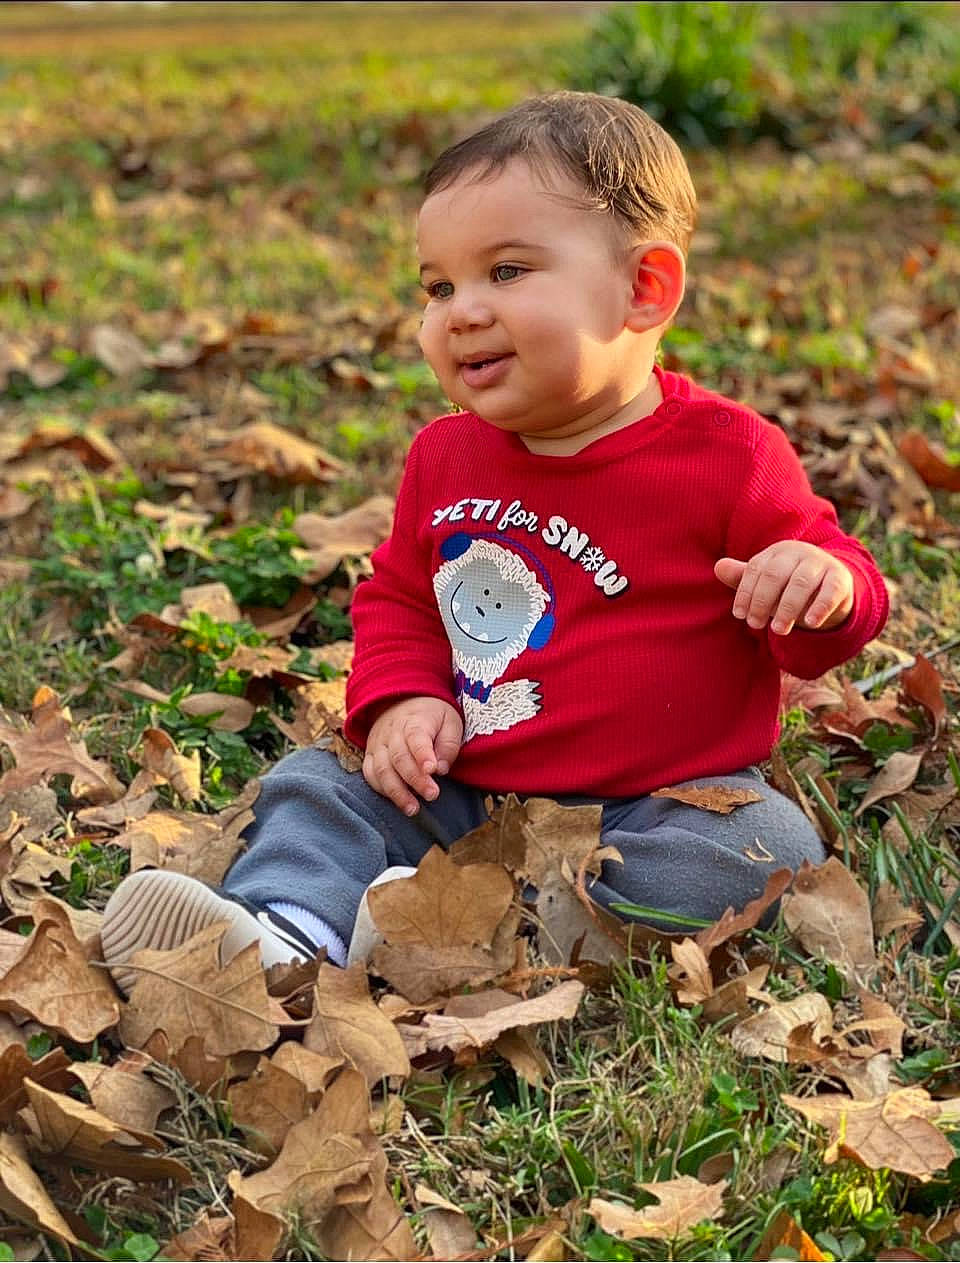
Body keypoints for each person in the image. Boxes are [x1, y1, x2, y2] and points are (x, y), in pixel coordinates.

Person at [101, 92, 889, 989]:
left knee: (764, 842)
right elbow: (400, 599)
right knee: (320, 786)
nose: (461, 311)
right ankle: (284, 934)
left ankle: (502, 927)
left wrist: (818, 583)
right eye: (438, 286)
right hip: (466, 797)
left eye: (507, 272)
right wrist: (401, 700)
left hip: (657, 806)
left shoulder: (729, 454)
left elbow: (829, 618)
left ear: (643, 289)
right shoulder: (446, 456)